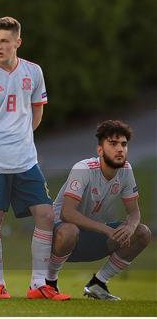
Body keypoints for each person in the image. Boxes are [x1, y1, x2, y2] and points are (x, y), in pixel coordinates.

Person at [0, 17, 69, 300]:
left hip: (26, 160)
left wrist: (21, 137)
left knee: (46, 215)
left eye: (4, 41)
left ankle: (38, 285)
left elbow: (37, 111)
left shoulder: (34, 72)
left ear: (17, 43)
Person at [47, 120, 151, 300]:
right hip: (58, 239)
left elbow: (134, 213)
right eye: (113, 143)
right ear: (100, 150)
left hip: (90, 238)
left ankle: (98, 283)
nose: (120, 149)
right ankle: (50, 283)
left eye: (124, 144)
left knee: (142, 232)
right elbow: (67, 214)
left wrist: (130, 228)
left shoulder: (126, 170)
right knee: (70, 230)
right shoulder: (84, 169)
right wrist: (107, 230)